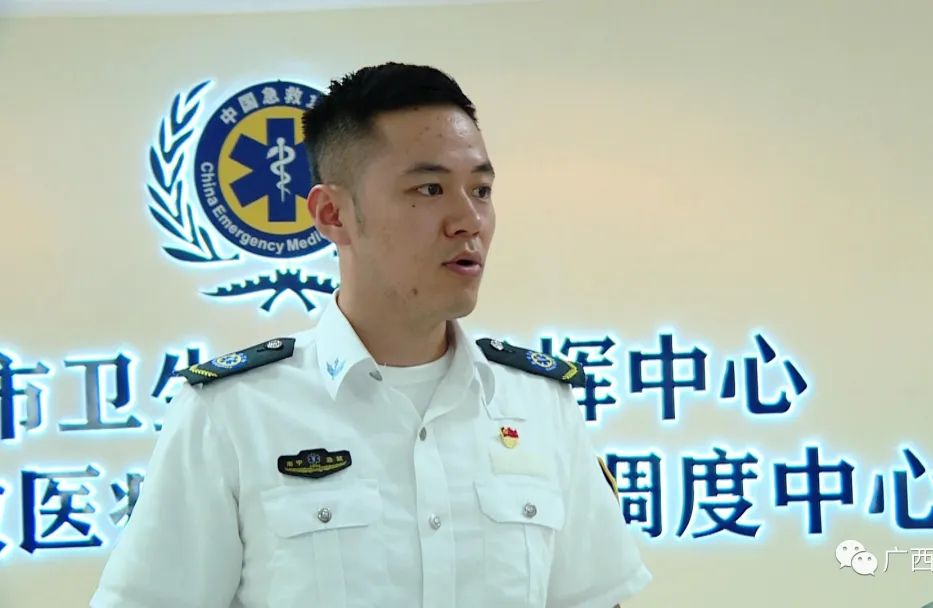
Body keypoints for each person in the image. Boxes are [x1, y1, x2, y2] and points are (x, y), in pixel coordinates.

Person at [90, 62, 651, 608]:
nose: (468, 220)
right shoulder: (233, 414)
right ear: (332, 214)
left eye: (480, 190)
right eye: (429, 188)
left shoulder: (539, 405)